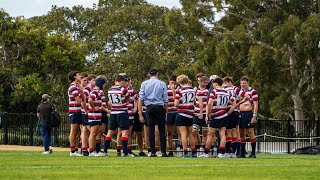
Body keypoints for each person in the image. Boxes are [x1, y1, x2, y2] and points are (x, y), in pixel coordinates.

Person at [201, 77, 236, 158]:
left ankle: (206, 153)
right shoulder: (227, 92)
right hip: (224, 115)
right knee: (222, 134)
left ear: (216, 84)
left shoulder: (214, 92)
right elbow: (234, 103)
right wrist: (228, 112)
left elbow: (209, 103)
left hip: (215, 115)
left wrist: (208, 114)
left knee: (210, 134)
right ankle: (221, 152)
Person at [138, 68, 168, 157]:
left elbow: (141, 99)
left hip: (149, 107)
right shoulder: (162, 84)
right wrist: (166, 111)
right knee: (162, 130)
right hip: (159, 107)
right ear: (157, 74)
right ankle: (163, 151)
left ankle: (152, 151)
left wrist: (140, 114)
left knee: (150, 130)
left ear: (149, 74)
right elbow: (165, 99)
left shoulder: (144, 83)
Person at [174, 75, 203, 158]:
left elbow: (176, 104)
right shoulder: (194, 90)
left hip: (182, 113)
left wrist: (180, 105)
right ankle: (194, 152)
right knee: (190, 134)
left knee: (183, 134)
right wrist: (200, 112)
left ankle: (185, 152)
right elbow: (200, 100)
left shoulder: (180, 91)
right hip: (190, 114)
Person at [104, 75, 131, 157]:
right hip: (122, 112)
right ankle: (125, 152)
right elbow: (128, 99)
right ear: (121, 81)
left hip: (113, 113)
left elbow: (109, 102)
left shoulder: (110, 89)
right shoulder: (123, 89)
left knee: (110, 132)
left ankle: (105, 150)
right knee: (125, 131)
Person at [239, 76, 259, 158]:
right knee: (241, 133)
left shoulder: (252, 91)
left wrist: (254, 115)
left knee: (250, 133)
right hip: (241, 113)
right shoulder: (240, 92)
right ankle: (242, 153)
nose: (242, 85)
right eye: (241, 83)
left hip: (248, 113)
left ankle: (253, 153)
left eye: (244, 83)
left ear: (248, 83)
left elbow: (256, 104)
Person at [67, 70, 84, 156]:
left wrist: (81, 90)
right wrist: (82, 93)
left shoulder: (77, 87)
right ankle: (72, 151)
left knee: (77, 132)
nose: (80, 76)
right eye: (78, 75)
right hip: (74, 111)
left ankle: (76, 150)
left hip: (78, 111)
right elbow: (79, 101)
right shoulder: (73, 87)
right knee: (73, 131)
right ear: (74, 77)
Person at [193, 76, 209, 154]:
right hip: (196, 113)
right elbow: (193, 101)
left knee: (205, 132)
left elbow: (208, 103)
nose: (206, 84)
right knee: (194, 131)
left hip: (205, 113)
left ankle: (203, 148)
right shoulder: (195, 90)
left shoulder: (208, 91)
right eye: (205, 82)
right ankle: (196, 147)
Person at [166, 75, 177, 157]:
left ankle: (181, 148)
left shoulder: (178, 89)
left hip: (177, 112)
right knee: (169, 132)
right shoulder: (165, 89)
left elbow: (177, 101)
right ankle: (170, 150)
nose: (172, 84)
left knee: (180, 131)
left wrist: (173, 91)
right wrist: (173, 103)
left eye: (174, 82)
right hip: (169, 112)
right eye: (171, 82)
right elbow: (165, 102)